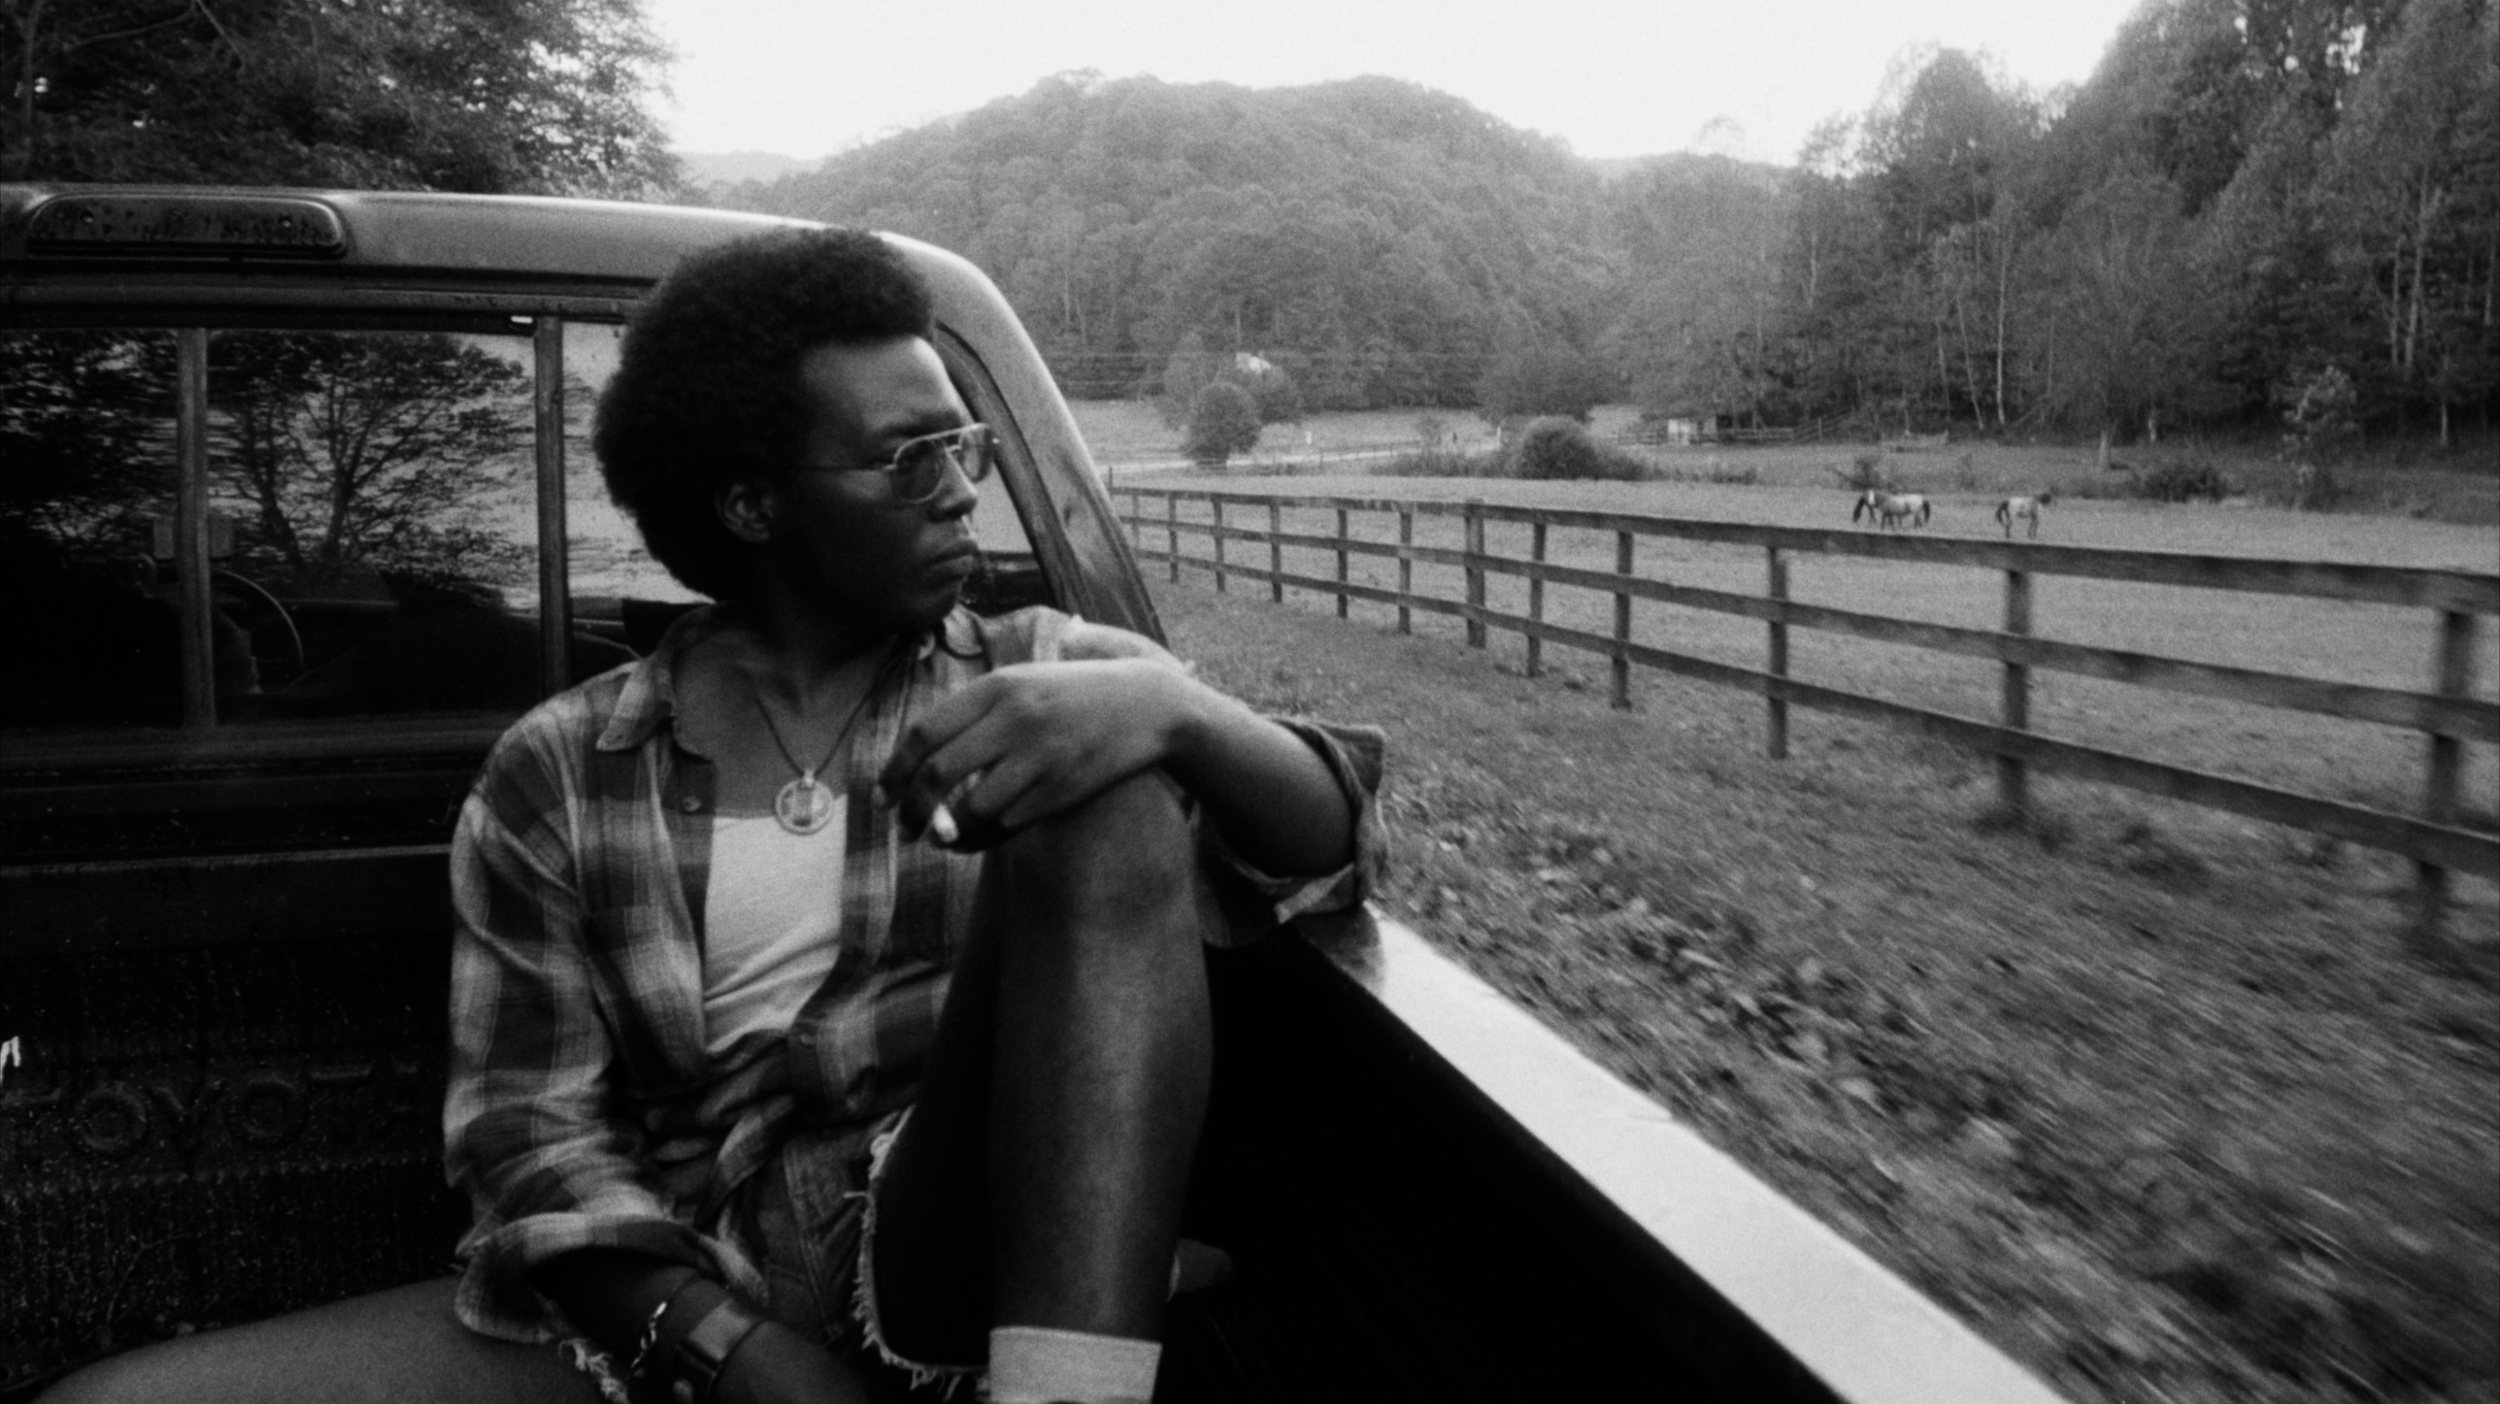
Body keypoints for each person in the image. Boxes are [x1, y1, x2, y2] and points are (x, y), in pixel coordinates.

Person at [42, 228, 1381, 1404]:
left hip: (969, 1225)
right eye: (911, 460)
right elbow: (524, 1133)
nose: (963, 489)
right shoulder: (562, 766)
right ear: (753, 506)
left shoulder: (1039, 679)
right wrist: (727, 1348)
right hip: (699, 1263)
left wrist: (1174, 708)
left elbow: (1323, 856)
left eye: (963, 445)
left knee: (1108, 799)